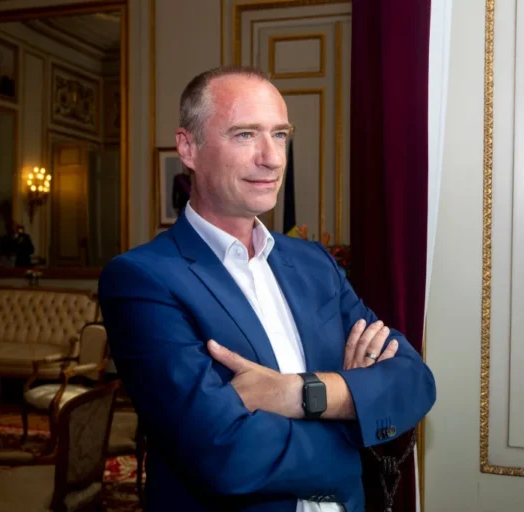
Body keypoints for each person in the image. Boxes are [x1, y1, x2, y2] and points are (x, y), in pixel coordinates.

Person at [98, 66, 436, 512]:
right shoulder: (142, 278)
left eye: (279, 135)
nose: (272, 158)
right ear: (188, 147)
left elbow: (414, 380)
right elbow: (226, 456)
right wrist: (355, 416)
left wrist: (297, 393)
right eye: (245, 135)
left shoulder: (314, 263)